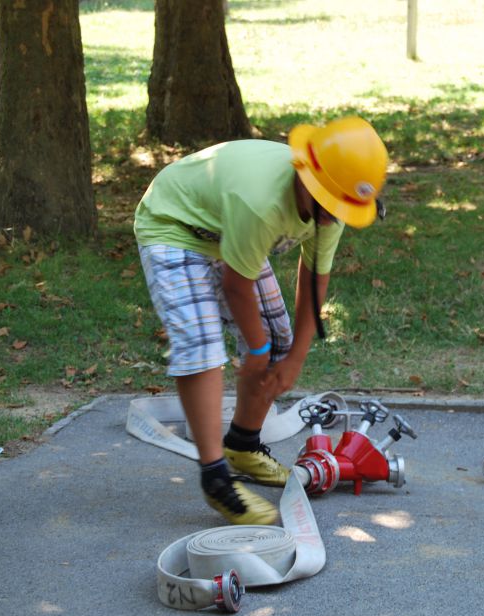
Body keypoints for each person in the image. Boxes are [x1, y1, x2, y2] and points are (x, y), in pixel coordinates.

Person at [134, 116, 388, 525]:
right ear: (307, 177)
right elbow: (237, 285)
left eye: (340, 211)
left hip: (228, 235)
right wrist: (256, 349)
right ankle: (216, 480)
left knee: (279, 339)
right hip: (175, 225)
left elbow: (313, 283)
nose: (330, 219)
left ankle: (243, 445)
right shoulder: (263, 202)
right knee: (201, 344)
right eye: (327, 206)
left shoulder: (330, 210)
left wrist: (293, 358)